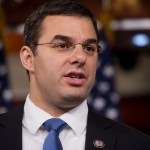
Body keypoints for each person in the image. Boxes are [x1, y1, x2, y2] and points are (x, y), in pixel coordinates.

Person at [0, 0, 150, 150]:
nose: (81, 57)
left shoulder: (137, 145)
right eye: (63, 45)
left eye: (89, 48)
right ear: (28, 59)